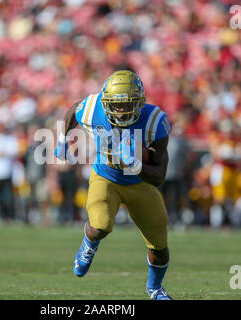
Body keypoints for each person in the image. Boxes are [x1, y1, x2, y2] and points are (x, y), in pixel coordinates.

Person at [55, 70, 173, 300]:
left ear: (139, 102)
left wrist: (137, 165)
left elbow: (159, 176)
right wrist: (63, 140)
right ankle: (89, 243)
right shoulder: (92, 108)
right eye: (116, 105)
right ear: (105, 102)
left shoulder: (154, 121)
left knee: (159, 246)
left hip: (140, 184)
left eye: (128, 104)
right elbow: (74, 110)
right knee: (100, 226)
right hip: (105, 176)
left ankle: (155, 289)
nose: (121, 110)